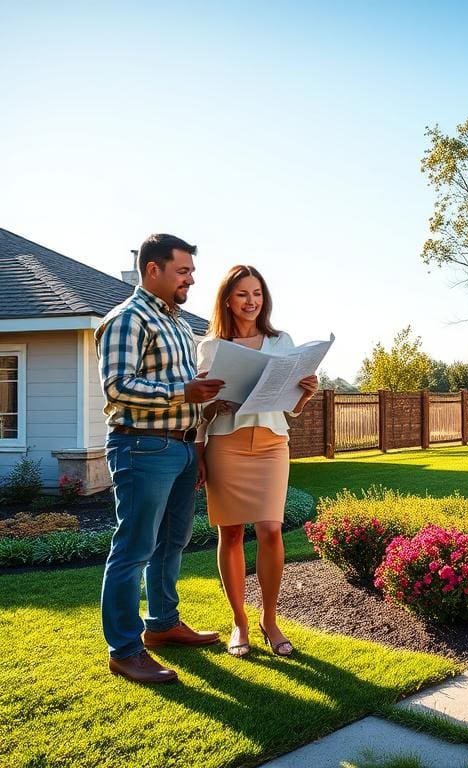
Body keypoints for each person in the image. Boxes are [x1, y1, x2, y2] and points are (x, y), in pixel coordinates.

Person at [97, 233, 226, 684]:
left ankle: (163, 624)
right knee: (133, 549)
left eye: (191, 270)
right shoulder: (126, 319)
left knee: (172, 542)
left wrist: (208, 399)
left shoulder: (176, 323)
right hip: (142, 446)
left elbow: (182, 387)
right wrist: (182, 392)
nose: (192, 278)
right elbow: (117, 386)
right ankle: (125, 649)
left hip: (183, 445)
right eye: (183, 270)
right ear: (153, 269)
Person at [196, 265, 318, 657]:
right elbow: (200, 411)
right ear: (227, 300)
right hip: (226, 443)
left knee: (270, 529)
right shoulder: (211, 347)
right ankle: (239, 622)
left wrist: (306, 392)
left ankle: (269, 618)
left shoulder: (282, 342)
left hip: (270, 444)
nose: (251, 301)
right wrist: (214, 407)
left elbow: (292, 409)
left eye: (258, 294)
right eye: (243, 294)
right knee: (230, 533)